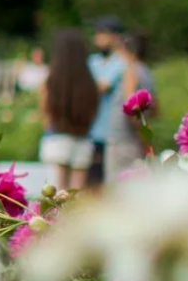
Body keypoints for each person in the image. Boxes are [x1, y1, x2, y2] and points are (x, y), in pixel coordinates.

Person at [39, 28, 101, 191]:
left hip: (56, 137)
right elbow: (94, 111)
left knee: (55, 193)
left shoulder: (52, 80)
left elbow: (45, 112)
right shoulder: (89, 82)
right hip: (82, 139)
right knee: (76, 194)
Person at [105, 30, 155, 179]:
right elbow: (156, 109)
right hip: (137, 139)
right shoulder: (146, 72)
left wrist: (141, 132)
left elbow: (131, 107)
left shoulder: (130, 72)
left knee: (117, 185)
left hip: (122, 138)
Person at [86, 17, 127, 188]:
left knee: (104, 182)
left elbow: (103, 86)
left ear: (115, 37)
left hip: (109, 131)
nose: (98, 38)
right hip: (89, 129)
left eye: (103, 34)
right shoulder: (92, 60)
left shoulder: (120, 61)